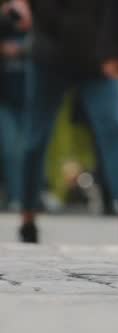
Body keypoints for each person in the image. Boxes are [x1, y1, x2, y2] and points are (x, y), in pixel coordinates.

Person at [18, 0, 118, 244]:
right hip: (51, 56)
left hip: (100, 61)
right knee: (35, 139)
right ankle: (28, 213)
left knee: (114, 129)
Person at [0, 0, 30, 211]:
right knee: (11, 149)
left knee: (29, 148)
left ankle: (30, 198)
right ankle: (16, 197)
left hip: (31, 99)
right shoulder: (3, 20)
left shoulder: (39, 19)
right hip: (5, 98)